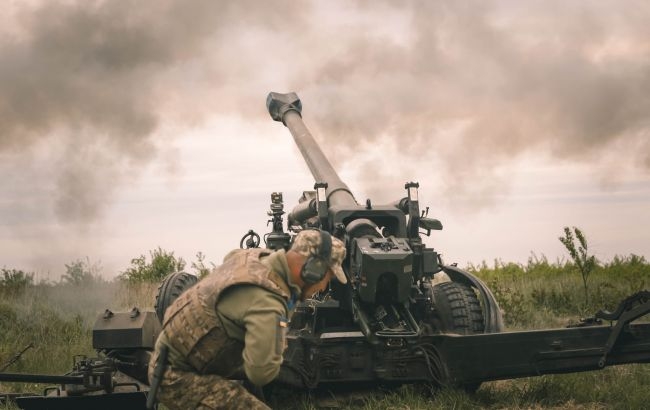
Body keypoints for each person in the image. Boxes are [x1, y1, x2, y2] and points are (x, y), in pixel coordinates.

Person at [147, 229, 347, 410]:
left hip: (172, 354)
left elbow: (230, 257)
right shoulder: (268, 304)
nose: (323, 287)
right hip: (176, 377)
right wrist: (275, 343)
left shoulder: (253, 257)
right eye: (327, 278)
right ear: (313, 269)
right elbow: (261, 372)